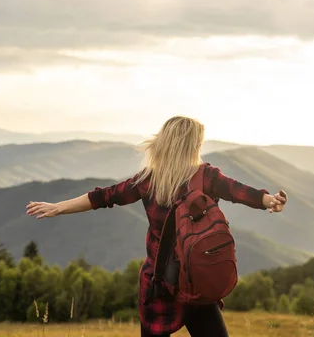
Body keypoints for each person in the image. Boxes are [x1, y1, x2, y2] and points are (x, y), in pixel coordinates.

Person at [26, 115, 288, 337]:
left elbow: (104, 196)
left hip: (159, 282)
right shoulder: (206, 176)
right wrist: (269, 200)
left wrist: (58, 207)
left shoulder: (148, 180)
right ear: (193, 145)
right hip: (197, 279)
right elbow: (239, 191)